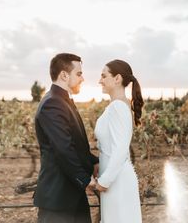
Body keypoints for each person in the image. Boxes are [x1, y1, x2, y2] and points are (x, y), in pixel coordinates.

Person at [34, 53, 99, 223]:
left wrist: (94, 162)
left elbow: (76, 144)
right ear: (64, 75)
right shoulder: (52, 103)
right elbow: (63, 148)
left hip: (71, 194)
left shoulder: (62, 100)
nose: (82, 78)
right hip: (58, 199)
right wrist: (85, 180)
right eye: (79, 74)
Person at [94, 59, 143, 223]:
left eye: (103, 76)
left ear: (117, 79)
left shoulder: (118, 108)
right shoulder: (117, 106)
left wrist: (104, 182)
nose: (100, 80)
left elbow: (121, 150)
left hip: (117, 181)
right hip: (113, 179)